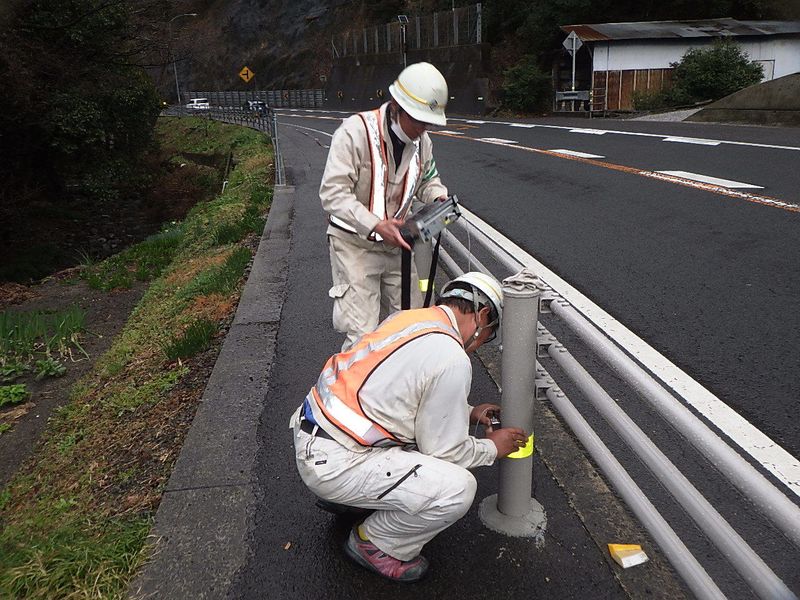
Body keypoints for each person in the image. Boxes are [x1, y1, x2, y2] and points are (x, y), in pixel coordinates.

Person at [290, 272, 529, 582]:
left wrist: (468, 412)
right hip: (336, 462)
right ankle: (375, 543)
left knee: (415, 446)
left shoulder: (407, 320)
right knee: (458, 488)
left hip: (314, 433)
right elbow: (446, 451)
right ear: (483, 316)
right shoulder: (451, 356)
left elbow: (400, 393)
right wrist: (493, 447)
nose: (478, 346)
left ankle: (349, 501)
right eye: (487, 336)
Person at [320, 61, 450, 351]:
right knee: (363, 336)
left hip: (398, 247)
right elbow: (331, 193)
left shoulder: (423, 143)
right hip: (353, 245)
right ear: (396, 106)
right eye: (417, 120)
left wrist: (438, 197)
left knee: (413, 324)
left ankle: (401, 388)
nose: (423, 128)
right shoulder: (355, 133)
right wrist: (375, 224)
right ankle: (352, 393)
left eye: (428, 122)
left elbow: (428, 179)